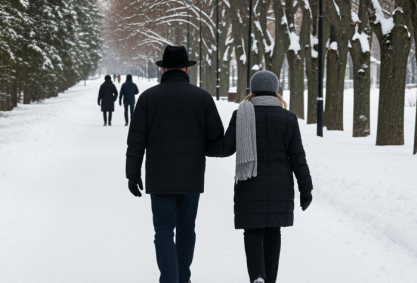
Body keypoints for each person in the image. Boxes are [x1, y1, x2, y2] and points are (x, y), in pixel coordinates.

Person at [126, 45, 225, 283]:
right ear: (186, 69)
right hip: (191, 176)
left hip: (159, 177)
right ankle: (183, 278)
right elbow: (216, 138)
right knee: (186, 229)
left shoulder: (148, 98)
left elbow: (136, 141)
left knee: (163, 230)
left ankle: (170, 279)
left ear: (164, 69)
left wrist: (132, 174)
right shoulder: (202, 97)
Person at [207, 70, 313, 283]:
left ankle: (257, 276)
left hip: (249, 182)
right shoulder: (288, 118)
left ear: (253, 90)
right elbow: (298, 157)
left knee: (253, 232)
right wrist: (306, 188)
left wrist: (200, 146)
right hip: (280, 186)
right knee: (273, 231)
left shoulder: (241, 114)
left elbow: (226, 148)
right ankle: (269, 280)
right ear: (275, 90)